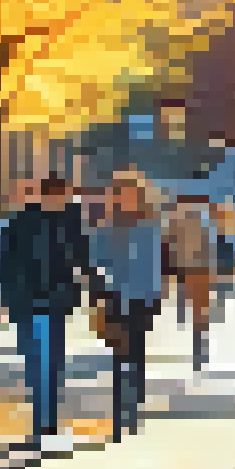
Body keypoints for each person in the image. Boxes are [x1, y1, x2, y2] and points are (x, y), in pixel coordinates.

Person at [0, 176, 90, 450]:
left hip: (53, 304)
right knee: (37, 365)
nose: (65, 201)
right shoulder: (22, 221)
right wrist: (7, 297)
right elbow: (4, 263)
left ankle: (46, 427)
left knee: (50, 365)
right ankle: (43, 426)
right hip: (28, 303)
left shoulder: (70, 222)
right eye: (63, 196)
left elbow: (82, 260)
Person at [91, 176, 164, 439]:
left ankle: (133, 407)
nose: (126, 199)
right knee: (120, 356)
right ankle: (121, 412)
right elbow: (95, 263)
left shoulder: (149, 228)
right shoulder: (105, 229)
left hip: (141, 300)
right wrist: (99, 292)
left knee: (137, 354)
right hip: (114, 298)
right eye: (122, 194)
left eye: (131, 194)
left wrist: (155, 299)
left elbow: (155, 265)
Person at [163, 194, 217, 370]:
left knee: (198, 311)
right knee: (198, 311)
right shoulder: (181, 223)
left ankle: (199, 349)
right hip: (191, 268)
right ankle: (199, 348)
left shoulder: (185, 223)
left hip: (195, 269)